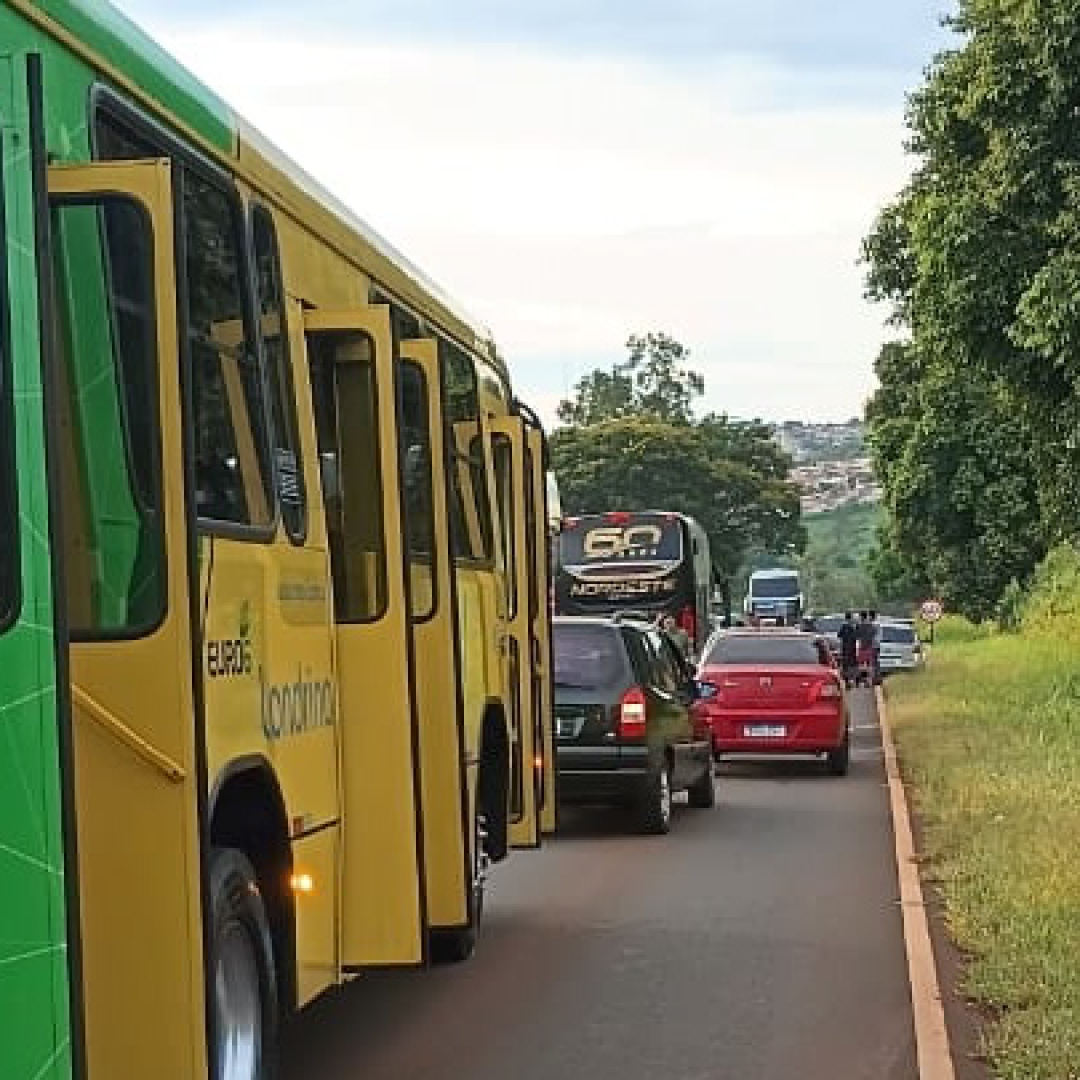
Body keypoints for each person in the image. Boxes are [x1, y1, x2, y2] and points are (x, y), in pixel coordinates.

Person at [837, 611, 858, 687]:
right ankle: (850, 680)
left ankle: (846, 680)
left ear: (845, 617)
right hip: (852, 649)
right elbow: (855, 637)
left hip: (845, 648)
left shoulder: (843, 626)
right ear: (851, 618)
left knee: (845, 665)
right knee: (851, 665)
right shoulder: (853, 626)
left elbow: (839, 635)